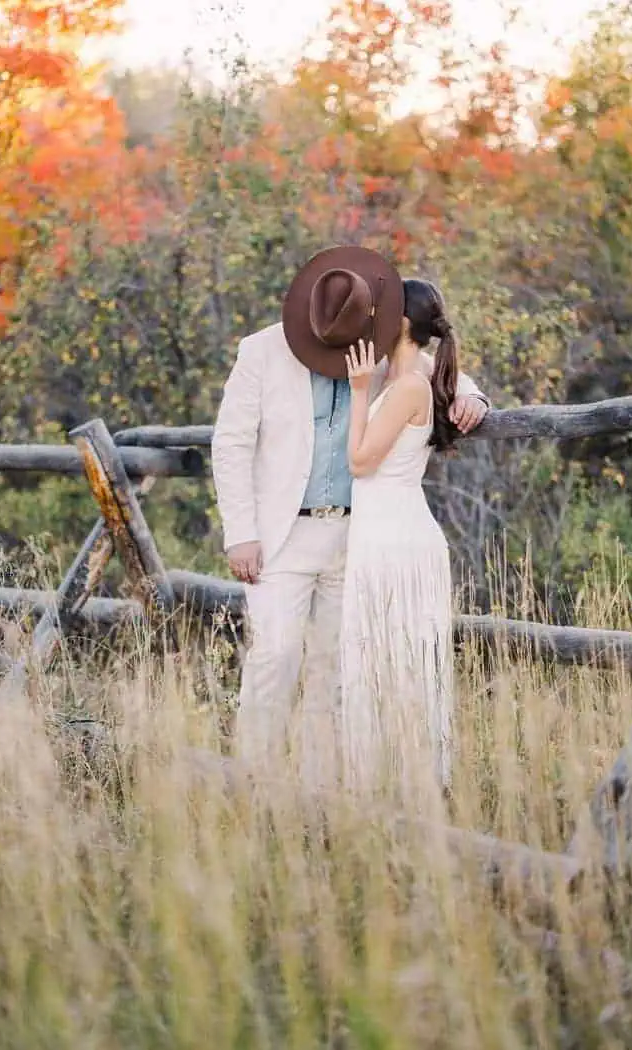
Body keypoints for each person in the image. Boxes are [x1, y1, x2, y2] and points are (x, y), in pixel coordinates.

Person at [211, 246, 488, 787]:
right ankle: (255, 786)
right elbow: (231, 444)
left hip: (355, 536)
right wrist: (240, 534)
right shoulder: (261, 352)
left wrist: (476, 397)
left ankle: (319, 792)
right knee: (275, 657)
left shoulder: (378, 349)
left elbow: (432, 362)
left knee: (335, 670)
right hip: (281, 537)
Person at [341, 278, 464, 794]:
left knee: (401, 659)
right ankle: (381, 782)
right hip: (383, 528)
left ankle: (410, 784)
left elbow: (360, 461)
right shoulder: (407, 374)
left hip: (394, 533)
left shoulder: (409, 384)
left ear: (405, 324)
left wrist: (359, 393)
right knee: (379, 655)